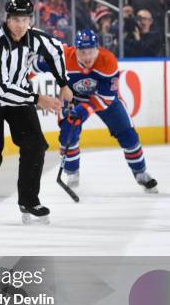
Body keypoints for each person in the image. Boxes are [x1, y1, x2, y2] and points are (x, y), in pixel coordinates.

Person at [0, 0, 71, 224]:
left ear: (30, 20)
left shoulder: (35, 38)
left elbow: (56, 50)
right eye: (16, 19)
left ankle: (29, 200)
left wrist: (64, 83)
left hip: (19, 97)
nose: (21, 25)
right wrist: (36, 98)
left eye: (25, 19)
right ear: (7, 19)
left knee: (35, 145)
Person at [33, 29, 158, 192]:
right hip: (73, 97)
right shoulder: (62, 56)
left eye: (90, 51)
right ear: (75, 50)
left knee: (127, 133)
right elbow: (34, 66)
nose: (87, 57)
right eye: (82, 52)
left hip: (103, 99)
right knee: (67, 130)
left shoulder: (108, 61)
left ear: (97, 49)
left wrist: (84, 110)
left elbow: (107, 97)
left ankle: (141, 172)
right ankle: (72, 173)